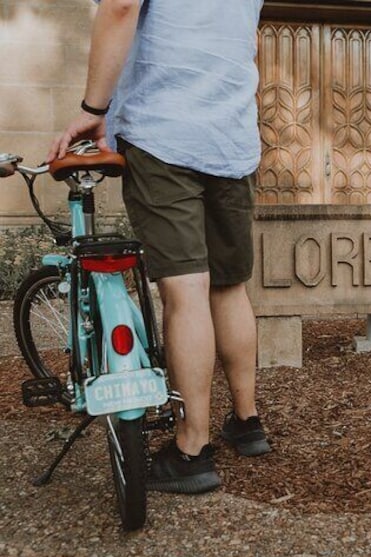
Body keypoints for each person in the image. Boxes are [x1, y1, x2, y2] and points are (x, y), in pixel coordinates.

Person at [47, 0, 271, 494]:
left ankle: (192, 449)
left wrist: (92, 111)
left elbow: (121, 6)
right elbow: (250, 41)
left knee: (186, 288)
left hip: (165, 129)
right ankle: (247, 421)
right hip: (231, 136)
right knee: (229, 285)